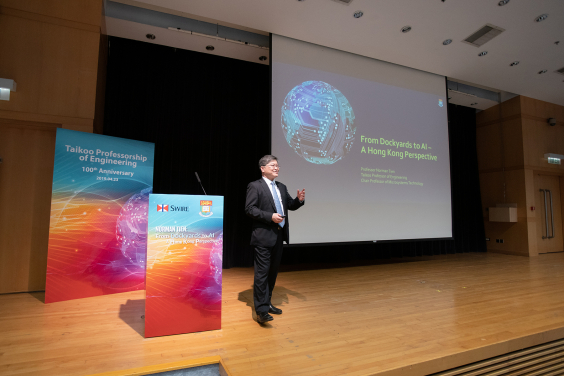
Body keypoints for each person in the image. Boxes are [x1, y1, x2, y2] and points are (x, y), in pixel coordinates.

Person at [245, 155, 305, 324]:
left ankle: (268, 302)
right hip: (263, 237)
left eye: (277, 165)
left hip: (279, 236)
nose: (276, 168)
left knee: (272, 273)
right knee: (262, 274)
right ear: (262, 168)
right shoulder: (255, 186)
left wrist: (299, 201)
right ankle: (261, 311)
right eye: (272, 165)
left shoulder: (281, 186)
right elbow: (250, 209)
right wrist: (270, 216)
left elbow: (290, 206)